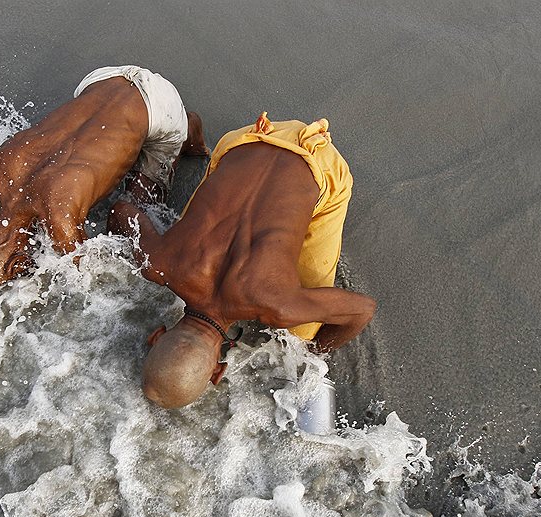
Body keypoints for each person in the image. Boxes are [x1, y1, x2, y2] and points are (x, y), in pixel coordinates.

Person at [110, 112, 376, 409]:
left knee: (301, 332)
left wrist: (312, 355)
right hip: (246, 138)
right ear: (156, 336)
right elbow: (123, 211)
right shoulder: (159, 263)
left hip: (321, 162)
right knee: (193, 224)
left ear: (218, 370)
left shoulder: (278, 305)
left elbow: (363, 310)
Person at [0, 65, 207, 288]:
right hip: (102, 78)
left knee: (130, 216)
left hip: (159, 102)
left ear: (18, 264)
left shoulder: (59, 216)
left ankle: (187, 129)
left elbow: (87, 275)